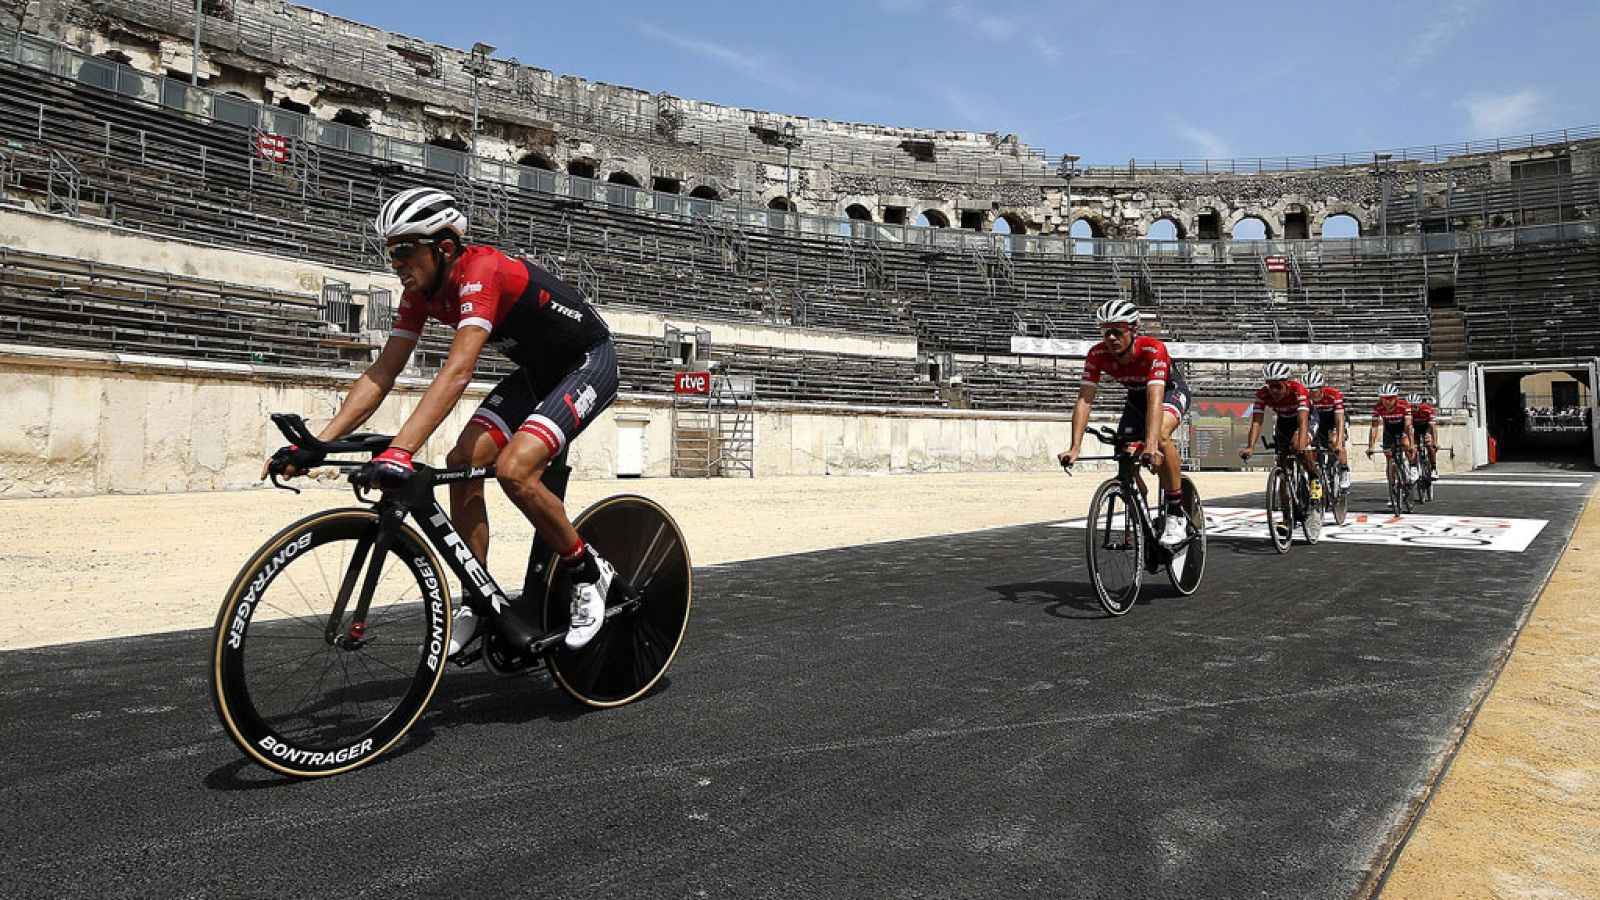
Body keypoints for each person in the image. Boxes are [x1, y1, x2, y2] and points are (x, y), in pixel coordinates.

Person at [263, 188, 620, 653]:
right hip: (538, 373)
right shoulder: (419, 293)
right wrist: (318, 444)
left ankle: (589, 573)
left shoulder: (483, 271)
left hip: (587, 362)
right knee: (462, 461)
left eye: (405, 250)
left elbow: (458, 371)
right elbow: (383, 372)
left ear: (445, 248)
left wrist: (400, 451)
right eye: (390, 251)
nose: (395, 262)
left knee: (514, 470)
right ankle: (480, 599)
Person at [1058, 299, 1192, 548]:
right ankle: (1140, 514)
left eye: (1117, 331)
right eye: (1105, 331)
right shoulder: (1097, 354)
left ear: (1134, 330)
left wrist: (1150, 444)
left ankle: (1176, 512)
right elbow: (1084, 400)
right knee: (1124, 453)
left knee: (1161, 437)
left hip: (1168, 392)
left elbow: (1155, 398)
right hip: (1137, 398)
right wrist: (1074, 447)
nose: (1110, 337)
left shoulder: (1153, 349)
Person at [1239, 361, 1322, 505]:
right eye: (1270, 386)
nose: (1274, 391)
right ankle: (1287, 510)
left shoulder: (1299, 390)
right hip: (1284, 421)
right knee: (1283, 464)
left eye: (1278, 386)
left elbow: (1302, 421)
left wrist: (1302, 446)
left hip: (1305, 418)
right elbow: (1257, 421)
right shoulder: (1262, 394)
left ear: (1287, 384)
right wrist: (1250, 447)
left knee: (1297, 446)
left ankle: (1314, 477)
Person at [1305, 368, 1351, 490]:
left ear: (1322, 388)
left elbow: (1340, 420)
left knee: (1335, 441)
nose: (1312, 393)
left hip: (1334, 421)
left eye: (1314, 390)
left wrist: (1339, 442)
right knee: (1311, 451)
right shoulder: (1306, 399)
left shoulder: (1334, 395)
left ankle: (1344, 469)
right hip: (1317, 423)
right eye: (1308, 390)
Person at [1366, 382, 1418, 488]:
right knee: (1389, 456)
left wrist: (1412, 444)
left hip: (1402, 428)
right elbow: (1374, 427)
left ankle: (1413, 466)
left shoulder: (1404, 405)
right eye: (1384, 399)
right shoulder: (1377, 407)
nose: (1387, 402)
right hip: (1389, 431)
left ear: (1396, 397)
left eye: (1390, 398)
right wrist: (1371, 446)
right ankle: (1392, 486)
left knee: (1406, 444)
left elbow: (1408, 426)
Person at [1408, 392, 1438, 482]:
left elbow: (1433, 427)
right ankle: (1413, 467)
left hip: (1426, 427)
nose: (1413, 409)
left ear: (1420, 405)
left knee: (1429, 445)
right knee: (1413, 447)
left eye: (1415, 407)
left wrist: (1435, 442)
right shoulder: (1407, 412)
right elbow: (1407, 427)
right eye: (1411, 407)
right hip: (1415, 428)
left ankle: (1433, 468)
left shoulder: (1427, 409)